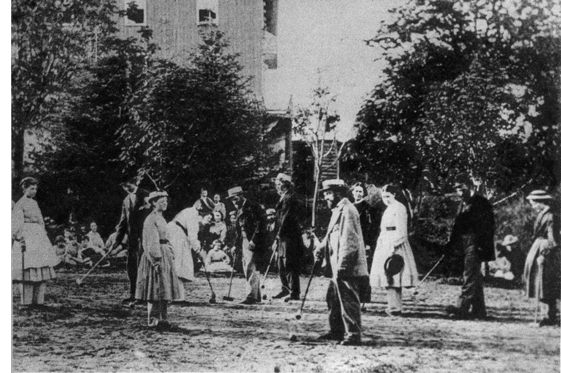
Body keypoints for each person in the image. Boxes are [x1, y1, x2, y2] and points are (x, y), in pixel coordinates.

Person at [313, 179, 369, 346]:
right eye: (325, 194)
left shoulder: (348, 210)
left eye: (328, 194)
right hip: (336, 264)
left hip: (347, 266)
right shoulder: (338, 209)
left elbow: (350, 241)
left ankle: (353, 334)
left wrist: (343, 266)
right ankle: (336, 331)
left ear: (338, 193)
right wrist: (321, 247)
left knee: (348, 299)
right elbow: (333, 235)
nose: (326, 198)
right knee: (333, 298)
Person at [445, 180, 495, 320]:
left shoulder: (481, 203)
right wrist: (452, 243)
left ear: (470, 187)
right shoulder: (463, 203)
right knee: (475, 277)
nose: (460, 192)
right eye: (457, 190)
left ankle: (462, 308)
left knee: (470, 274)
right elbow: (459, 225)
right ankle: (479, 311)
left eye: (462, 189)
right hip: (465, 242)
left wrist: (482, 246)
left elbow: (489, 226)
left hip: (477, 243)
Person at [136, 191, 184, 328]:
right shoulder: (151, 219)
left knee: (164, 287)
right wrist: (156, 260)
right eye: (161, 202)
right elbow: (151, 242)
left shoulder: (161, 218)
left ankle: (163, 318)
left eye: (166, 201)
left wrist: (170, 251)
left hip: (164, 253)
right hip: (156, 255)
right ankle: (153, 319)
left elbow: (166, 237)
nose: (165, 204)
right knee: (154, 288)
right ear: (153, 203)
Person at [369, 184, 419, 316]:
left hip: (396, 244)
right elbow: (383, 228)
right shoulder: (388, 209)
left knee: (394, 275)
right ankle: (393, 306)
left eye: (388, 196)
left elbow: (402, 231)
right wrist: (381, 241)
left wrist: (393, 246)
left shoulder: (400, 208)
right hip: (385, 242)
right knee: (388, 276)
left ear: (394, 195)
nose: (386, 199)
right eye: (383, 197)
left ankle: (395, 308)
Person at [12, 177, 60, 306]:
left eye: (35, 188)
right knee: (29, 267)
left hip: (38, 236)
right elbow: (16, 224)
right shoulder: (20, 204)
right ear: (24, 188)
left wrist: (43, 232)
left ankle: (38, 301)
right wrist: (20, 239)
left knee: (41, 265)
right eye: (31, 188)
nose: (34, 191)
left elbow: (40, 219)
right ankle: (27, 302)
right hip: (27, 236)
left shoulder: (34, 203)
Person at [523, 190, 560, 327]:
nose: (532, 206)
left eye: (533, 203)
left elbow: (554, 240)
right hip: (539, 247)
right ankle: (549, 316)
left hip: (546, 252)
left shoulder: (551, 217)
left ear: (541, 203)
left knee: (545, 285)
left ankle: (550, 317)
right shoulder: (542, 215)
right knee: (540, 284)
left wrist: (544, 254)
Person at [111, 175, 150, 305]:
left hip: (146, 237)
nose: (126, 188)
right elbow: (123, 222)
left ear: (134, 182)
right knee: (131, 265)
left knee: (143, 265)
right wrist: (116, 241)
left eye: (128, 185)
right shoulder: (126, 200)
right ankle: (133, 294)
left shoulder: (146, 194)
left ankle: (145, 295)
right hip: (132, 239)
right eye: (123, 186)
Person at [228, 186, 267, 304]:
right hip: (244, 240)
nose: (233, 202)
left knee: (250, 267)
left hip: (253, 241)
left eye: (234, 199)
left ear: (241, 196)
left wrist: (254, 240)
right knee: (247, 266)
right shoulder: (240, 208)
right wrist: (235, 245)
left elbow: (260, 225)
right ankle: (256, 295)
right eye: (231, 200)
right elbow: (238, 229)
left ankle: (251, 296)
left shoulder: (253, 206)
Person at [272, 173, 305, 301]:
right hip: (283, 236)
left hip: (289, 237)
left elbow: (286, 219)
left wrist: (278, 236)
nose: (277, 187)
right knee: (281, 263)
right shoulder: (284, 197)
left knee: (289, 263)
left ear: (284, 185)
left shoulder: (290, 198)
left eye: (278, 184)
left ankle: (294, 292)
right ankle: (285, 289)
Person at [167, 207, 202, 283]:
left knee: (182, 256)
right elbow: (192, 236)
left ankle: (178, 278)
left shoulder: (190, 210)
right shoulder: (193, 214)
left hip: (176, 230)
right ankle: (175, 279)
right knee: (177, 256)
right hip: (176, 232)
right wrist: (198, 251)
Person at [351, 182, 376, 271]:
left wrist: (368, 242)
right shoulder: (351, 206)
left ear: (363, 193)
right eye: (356, 191)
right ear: (352, 192)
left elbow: (370, 226)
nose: (358, 194)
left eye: (360, 192)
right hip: (352, 236)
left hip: (363, 236)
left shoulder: (368, 207)